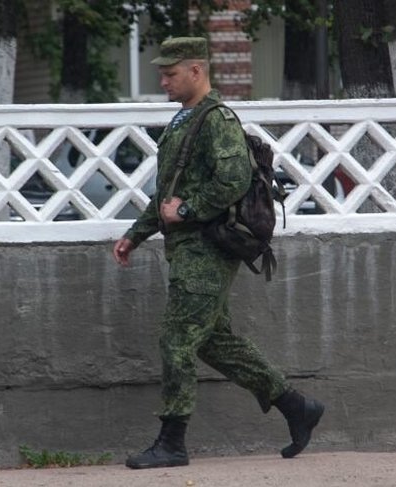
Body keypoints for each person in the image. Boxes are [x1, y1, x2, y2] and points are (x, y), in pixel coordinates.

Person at [112, 36, 324, 470]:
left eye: (171, 73)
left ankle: (172, 443)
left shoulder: (216, 120)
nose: (163, 80)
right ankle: (296, 407)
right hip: (188, 249)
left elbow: (233, 179)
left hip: (208, 249)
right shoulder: (183, 121)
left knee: (176, 340)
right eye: (162, 73)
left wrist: (187, 210)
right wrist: (136, 234)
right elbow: (169, 194)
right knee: (212, 341)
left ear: (196, 71)